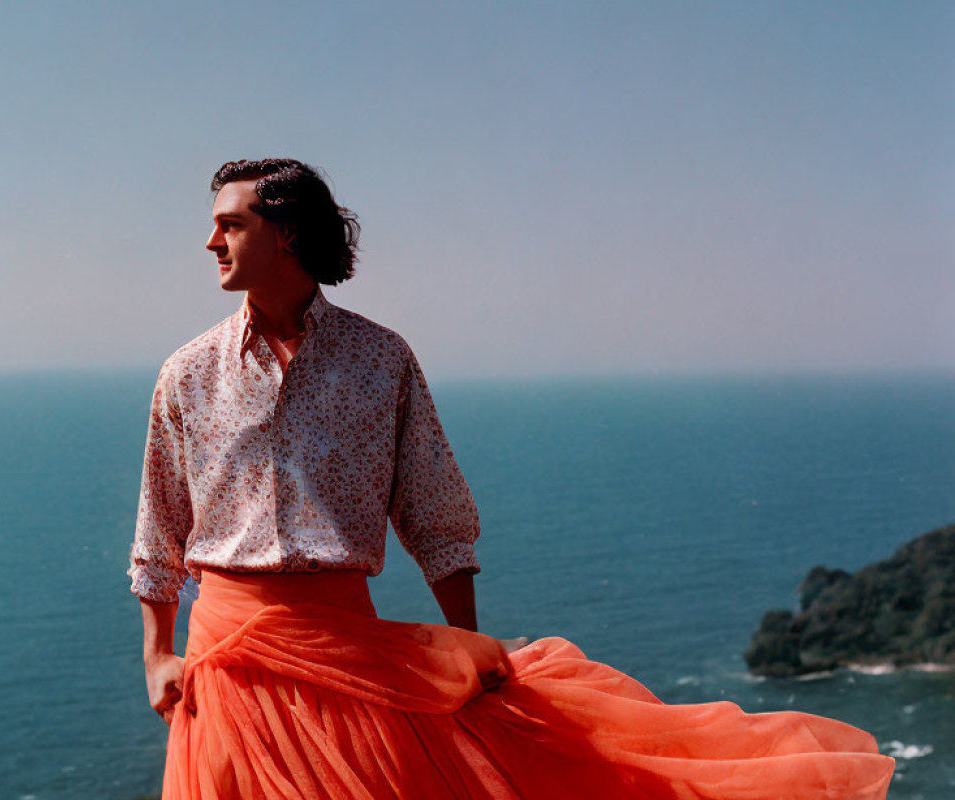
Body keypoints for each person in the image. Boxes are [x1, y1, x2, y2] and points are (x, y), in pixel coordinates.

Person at [130, 158, 894, 799]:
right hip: (226, 664)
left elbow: (434, 512)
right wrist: (156, 654)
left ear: (287, 232)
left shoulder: (379, 360)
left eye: (230, 224)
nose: (210, 240)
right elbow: (159, 524)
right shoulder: (187, 374)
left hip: (351, 655)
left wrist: (462, 649)